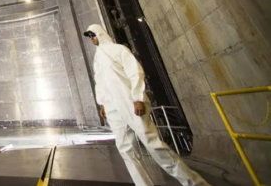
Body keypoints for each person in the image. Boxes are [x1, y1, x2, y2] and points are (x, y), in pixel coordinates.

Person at [84, 24, 209, 186]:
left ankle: (195, 183)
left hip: (130, 102)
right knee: (125, 149)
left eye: (92, 35)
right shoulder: (97, 58)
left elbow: (135, 72)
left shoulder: (118, 50)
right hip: (112, 107)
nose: (91, 39)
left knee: (154, 145)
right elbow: (99, 82)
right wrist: (102, 104)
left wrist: (138, 98)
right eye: (89, 37)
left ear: (100, 34)